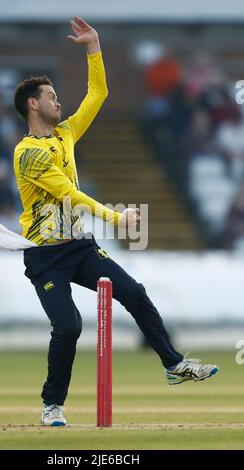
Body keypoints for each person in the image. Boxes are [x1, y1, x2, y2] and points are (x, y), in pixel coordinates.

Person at [12, 16, 219, 427]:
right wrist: (115, 216)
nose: (59, 101)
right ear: (33, 104)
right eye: (51, 96)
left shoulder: (66, 134)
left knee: (134, 291)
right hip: (45, 256)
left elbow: (99, 92)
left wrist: (94, 48)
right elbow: (67, 193)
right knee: (69, 327)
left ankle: (173, 364)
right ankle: (52, 406)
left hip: (79, 246)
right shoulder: (27, 152)